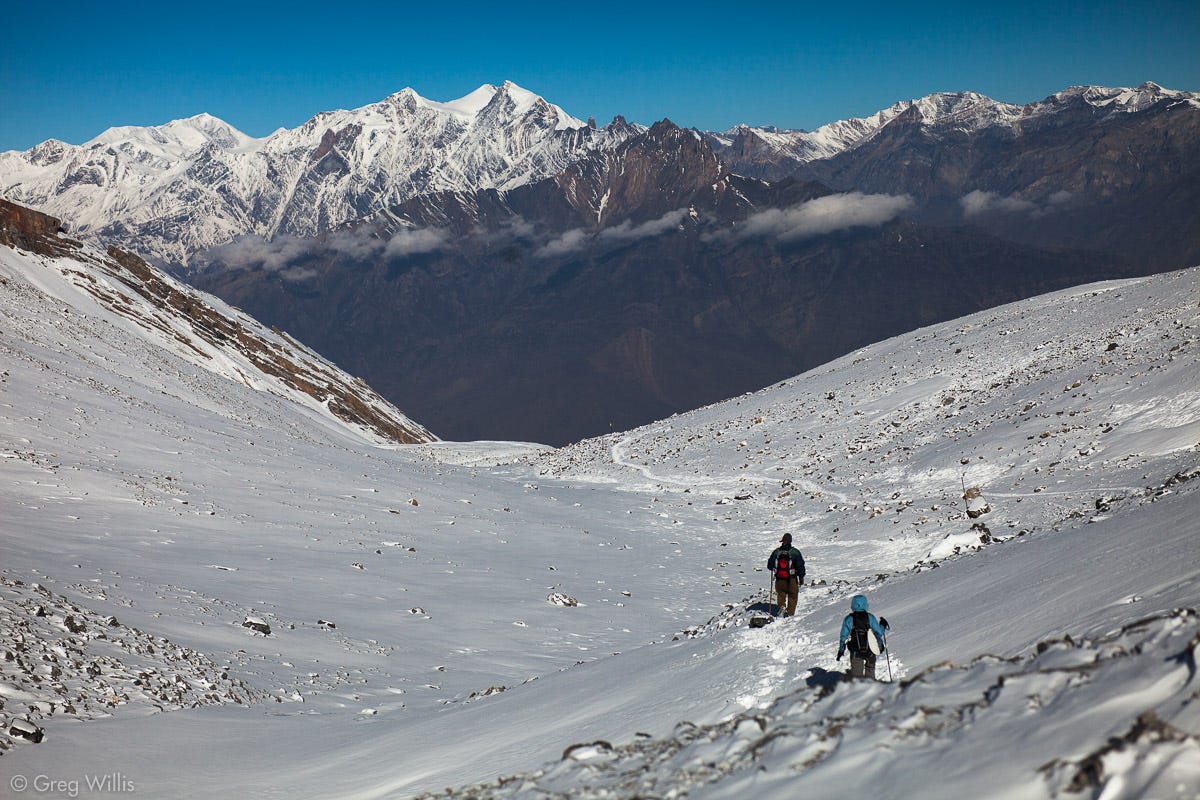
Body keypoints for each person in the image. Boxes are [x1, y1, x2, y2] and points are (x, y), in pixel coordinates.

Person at [837, 594, 889, 679]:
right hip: (871, 650)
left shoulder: (849, 619)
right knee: (870, 672)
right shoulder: (870, 617)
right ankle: (871, 689)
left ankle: (859, 690)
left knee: (857, 678)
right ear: (865, 605)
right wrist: (883, 625)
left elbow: (843, 637)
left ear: (853, 605)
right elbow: (879, 632)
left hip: (855, 651)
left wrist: (841, 651)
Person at [766, 533, 805, 616]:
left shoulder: (776, 552)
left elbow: (769, 565)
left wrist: (776, 569)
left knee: (781, 595)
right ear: (790, 541)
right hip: (792, 579)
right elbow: (800, 566)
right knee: (793, 596)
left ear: (782, 541)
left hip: (779, 579)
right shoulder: (795, 552)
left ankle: (781, 608)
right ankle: (790, 615)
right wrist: (801, 578)